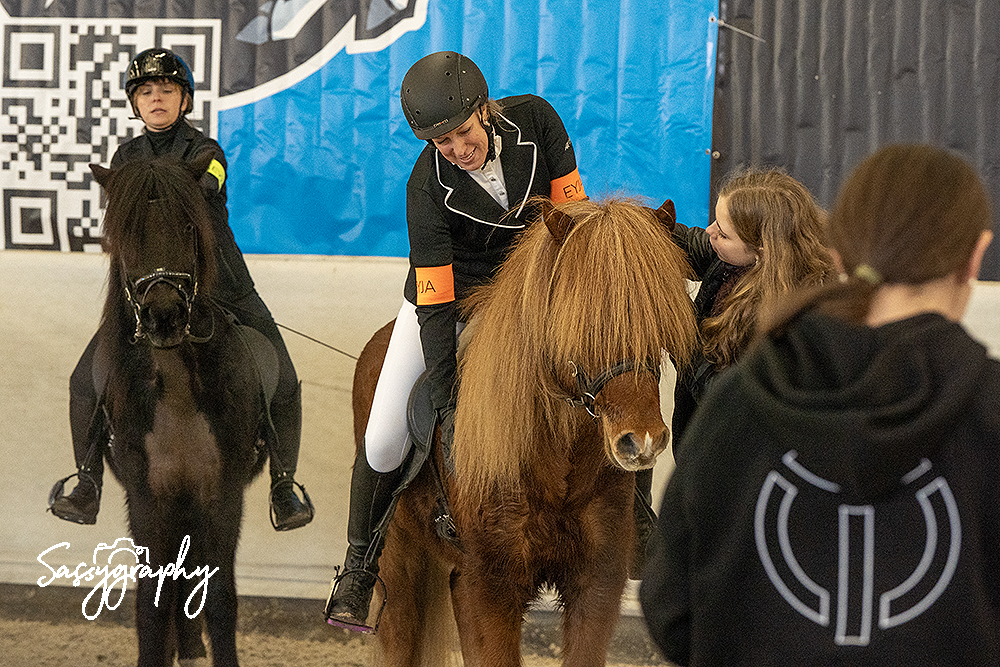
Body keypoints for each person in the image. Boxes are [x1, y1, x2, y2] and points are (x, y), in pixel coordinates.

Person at [639, 144, 999, 665]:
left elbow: (671, 606)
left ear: (838, 253)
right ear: (976, 254)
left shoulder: (739, 404)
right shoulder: (989, 414)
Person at [323, 51, 589, 632]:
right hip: (455, 297)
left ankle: (633, 513)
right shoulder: (427, 184)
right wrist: (443, 384)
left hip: (533, 290)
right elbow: (437, 298)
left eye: (463, 134)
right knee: (384, 436)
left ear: (485, 111)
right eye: (443, 144)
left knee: (611, 368)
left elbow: (576, 223)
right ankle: (358, 568)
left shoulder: (539, 123)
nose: (458, 151)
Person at [48, 47, 314, 532]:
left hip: (221, 283)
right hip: (148, 290)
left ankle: (283, 484)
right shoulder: (124, 159)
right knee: (83, 380)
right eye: (146, 92)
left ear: (184, 100)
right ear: (134, 104)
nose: (156, 99)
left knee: (285, 377)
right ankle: (87, 483)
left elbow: (207, 185)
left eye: (166, 91)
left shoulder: (207, 154)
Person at [666, 167, 834, 459]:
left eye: (723, 233)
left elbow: (734, 401)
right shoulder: (737, 260)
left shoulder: (790, 317)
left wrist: (683, 340)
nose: (710, 232)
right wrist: (645, 223)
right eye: (715, 221)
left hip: (738, 459)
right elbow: (696, 245)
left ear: (764, 249)